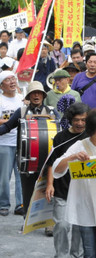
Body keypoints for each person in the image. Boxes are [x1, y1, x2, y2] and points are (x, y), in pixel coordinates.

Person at [53, 107, 96, 258]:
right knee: (89, 250)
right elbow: (57, 169)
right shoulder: (80, 146)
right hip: (86, 207)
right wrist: (72, 158)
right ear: (92, 130)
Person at [0, 81, 60, 217]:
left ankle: (48, 223)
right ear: (29, 96)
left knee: (49, 189)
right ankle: (27, 220)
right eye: (33, 93)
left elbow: (60, 131)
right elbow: (7, 127)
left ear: (43, 96)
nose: (36, 95)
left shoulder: (51, 111)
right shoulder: (21, 111)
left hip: (48, 160)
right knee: (27, 191)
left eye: (39, 93)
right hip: (27, 159)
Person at [46, 102, 90, 258]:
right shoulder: (61, 137)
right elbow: (51, 162)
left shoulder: (93, 137)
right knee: (62, 226)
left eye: (84, 120)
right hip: (62, 189)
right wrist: (50, 184)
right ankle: (61, 255)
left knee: (79, 228)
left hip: (83, 192)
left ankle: (76, 255)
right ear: (71, 119)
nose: (80, 123)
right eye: (77, 119)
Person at [0, 71, 24, 216]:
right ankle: (3, 204)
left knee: (21, 175)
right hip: (4, 142)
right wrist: (13, 121)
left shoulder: (22, 99)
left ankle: (20, 204)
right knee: (4, 176)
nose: (12, 81)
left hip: (22, 142)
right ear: (2, 86)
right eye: (8, 80)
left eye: (13, 78)